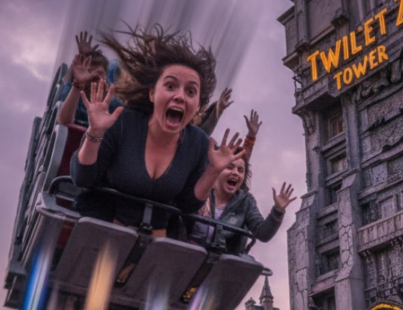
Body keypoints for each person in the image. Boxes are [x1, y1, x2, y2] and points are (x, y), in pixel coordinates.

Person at [74, 25, 243, 236]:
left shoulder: (198, 143)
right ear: (152, 93)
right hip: (103, 231)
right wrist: (95, 133)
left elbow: (187, 205)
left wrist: (213, 171)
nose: (180, 96)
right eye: (171, 86)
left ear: (198, 104)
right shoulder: (122, 121)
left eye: (190, 91)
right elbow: (82, 179)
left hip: (156, 244)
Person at [189, 110, 295, 253]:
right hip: (187, 252)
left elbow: (263, 233)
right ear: (218, 168)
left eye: (240, 170)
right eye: (229, 167)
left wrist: (278, 211)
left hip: (221, 259)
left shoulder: (245, 202)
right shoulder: (202, 187)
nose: (235, 173)